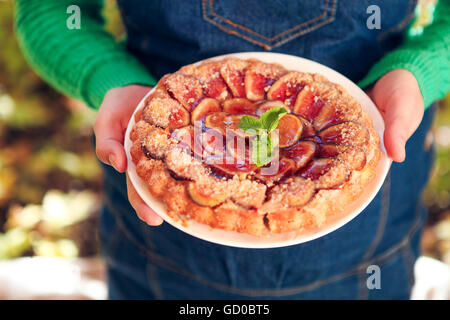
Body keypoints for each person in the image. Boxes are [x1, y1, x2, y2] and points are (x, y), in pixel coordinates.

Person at [15, 0, 449, 299]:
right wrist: (110, 77)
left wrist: (418, 71)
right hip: (159, 243)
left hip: (364, 246)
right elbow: (51, 10)